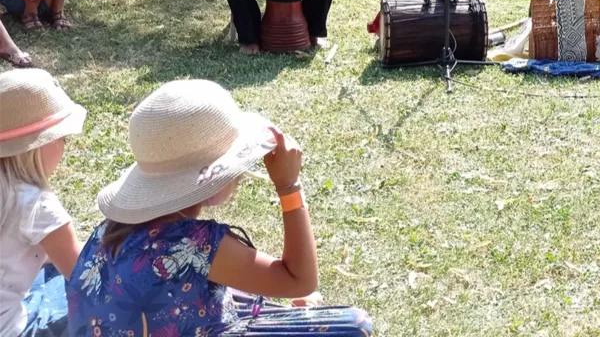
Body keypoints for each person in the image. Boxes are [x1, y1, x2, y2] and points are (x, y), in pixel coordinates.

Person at [66, 79, 373, 336]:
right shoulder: (192, 245)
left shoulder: (107, 231)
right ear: (212, 180)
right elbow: (300, 280)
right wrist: (290, 187)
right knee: (354, 325)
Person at [0, 69, 87, 337]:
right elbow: (83, 276)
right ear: (38, 146)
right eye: (62, 139)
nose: (64, 147)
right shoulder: (38, 206)